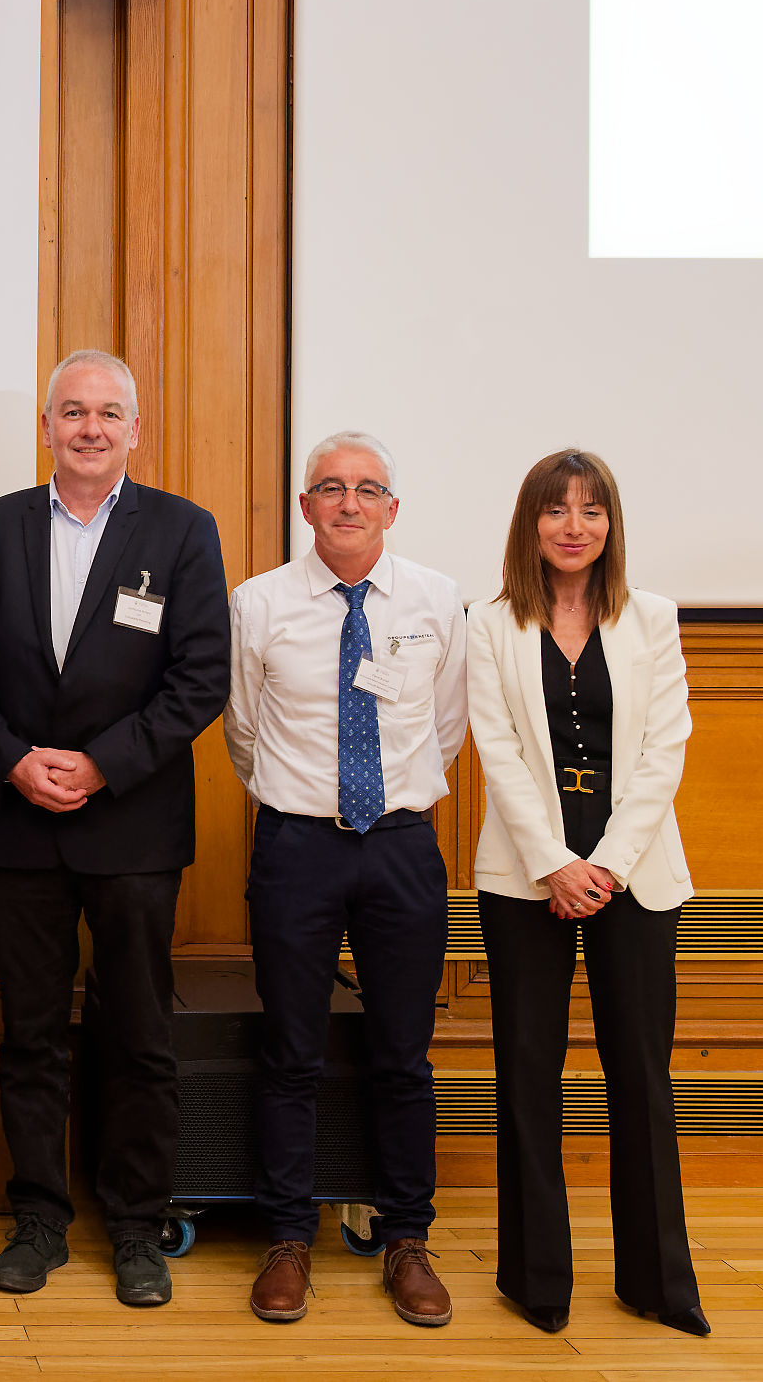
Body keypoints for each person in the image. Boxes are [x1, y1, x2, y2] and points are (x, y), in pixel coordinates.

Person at [0, 349, 229, 1308]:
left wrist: (103, 764)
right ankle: (40, 1218)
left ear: (135, 429)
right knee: (29, 1035)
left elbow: (200, 678)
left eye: (108, 412)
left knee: (139, 1033)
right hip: (20, 824)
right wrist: (15, 761)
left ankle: (136, 1224)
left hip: (134, 826)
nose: (90, 427)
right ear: (47, 429)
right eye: (73, 411)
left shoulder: (183, 530)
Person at [224, 431, 467, 1327]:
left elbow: (445, 727)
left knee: (402, 1055)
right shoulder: (258, 603)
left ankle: (407, 1237)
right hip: (296, 848)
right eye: (331, 487)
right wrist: (302, 804)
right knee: (291, 1052)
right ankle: (289, 1237)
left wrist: (388, 801)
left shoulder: (437, 600)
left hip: (401, 847)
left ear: (392, 508)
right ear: (306, 506)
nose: (349, 502)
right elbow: (244, 732)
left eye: (367, 489)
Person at [468, 449, 706, 1338]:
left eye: (591, 509)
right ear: (529, 524)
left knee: (639, 1071)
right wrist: (553, 864)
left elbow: (664, 752)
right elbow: (495, 749)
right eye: (556, 509)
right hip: (524, 876)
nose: (575, 526)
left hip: (634, 873)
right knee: (527, 1070)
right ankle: (537, 1283)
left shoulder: (653, 618)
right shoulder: (490, 623)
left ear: (611, 524)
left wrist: (604, 863)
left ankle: (658, 1283)